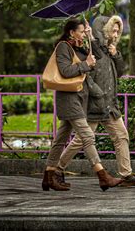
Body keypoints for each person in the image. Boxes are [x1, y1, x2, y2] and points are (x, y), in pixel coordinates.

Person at [57, 15, 135, 187]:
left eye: (117, 30)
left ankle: (126, 174)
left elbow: (120, 73)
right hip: (95, 104)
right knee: (81, 140)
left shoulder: (109, 50)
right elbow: (86, 77)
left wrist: (117, 55)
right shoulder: (92, 48)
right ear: (104, 30)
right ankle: (58, 168)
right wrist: (97, 93)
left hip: (110, 106)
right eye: (112, 30)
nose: (115, 34)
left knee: (121, 135)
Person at [42, 18, 123, 192]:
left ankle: (49, 176)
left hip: (79, 98)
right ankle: (103, 176)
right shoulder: (64, 47)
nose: (82, 33)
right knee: (87, 136)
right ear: (71, 32)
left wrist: (91, 35)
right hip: (68, 99)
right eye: (80, 31)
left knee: (61, 139)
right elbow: (65, 71)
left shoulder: (80, 47)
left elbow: (99, 56)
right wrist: (85, 64)